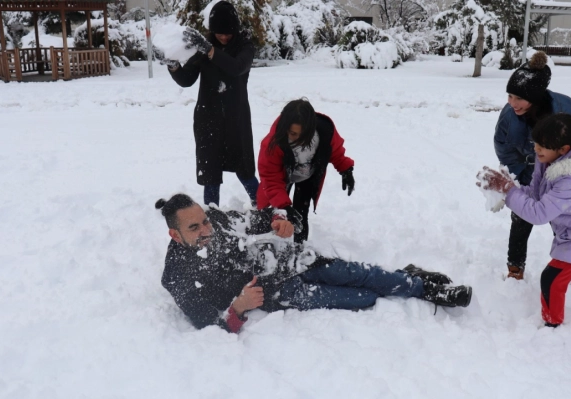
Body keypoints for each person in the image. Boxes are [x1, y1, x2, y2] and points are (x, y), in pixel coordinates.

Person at [156, 193, 472, 333]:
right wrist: (238, 307)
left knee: (357, 274)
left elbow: (261, 216)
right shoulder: (178, 276)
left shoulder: (217, 220)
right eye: (194, 228)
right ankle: (403, 278)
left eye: (204, 222)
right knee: (361, 298)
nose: (206, 230)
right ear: (174, 233)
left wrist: (280, 220)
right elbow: (208, 324)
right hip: (279, 293)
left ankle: (422, 286)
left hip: (290, 262)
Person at [480, 113, 571, 328]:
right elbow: (536, 194)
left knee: (552, 278)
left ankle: (552, 326)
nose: (536, 149)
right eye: (535, 143)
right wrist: (510, 190)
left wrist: (509, 193)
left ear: (563, 149)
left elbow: (539, 214)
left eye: (542, 146)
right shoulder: (547, 160)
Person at [494, 51, 571, 280]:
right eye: (509, 96)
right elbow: (503, 147)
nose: (512, 103)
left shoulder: (564, 107)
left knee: (565, 221)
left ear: (536, 96)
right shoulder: (510, 115)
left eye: (518, 98)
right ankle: (515, 268)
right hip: (527, 171)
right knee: (521, 217)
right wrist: (522, 176)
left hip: (563, 175)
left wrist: (563, 174)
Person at [163, 1, 258, 207]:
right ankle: (213, 217)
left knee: (244, 169)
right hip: (208, 118)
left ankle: (263, 207)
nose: (223, 37)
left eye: (228, 33)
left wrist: (210, 49)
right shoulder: (202, 49)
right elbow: (187, 80)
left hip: (236, 118)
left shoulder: (245, 46)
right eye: (219, 33)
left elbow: (236, 68)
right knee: (210, 174)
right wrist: (174, 66)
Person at [256, 99, 355, 243]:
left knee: (301, 214)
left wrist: (345, 169)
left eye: (302, 135)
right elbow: (271, 179)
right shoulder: (273, 144)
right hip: (283, 177)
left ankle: (299, 249)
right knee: (273, 213)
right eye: (292, 134)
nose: (298, 139)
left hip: (308, 176)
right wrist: (284, 206)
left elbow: (335, 151)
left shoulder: (325, 131)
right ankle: (268, 246)